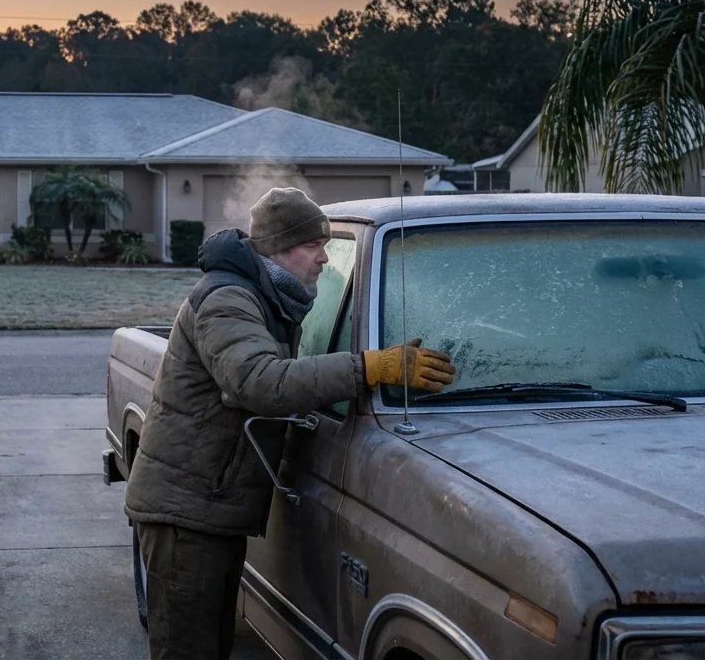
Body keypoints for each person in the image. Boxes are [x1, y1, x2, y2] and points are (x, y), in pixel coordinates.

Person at [123, 186, 456, 660]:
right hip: (185, 515)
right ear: (278, 248)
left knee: (209, 645)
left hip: (207, 508)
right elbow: (259, 382)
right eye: (312, 245)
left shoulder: (269, 296)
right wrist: (368, 367)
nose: (324, 257)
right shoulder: (227, 299)